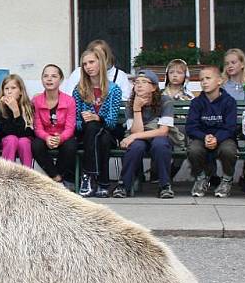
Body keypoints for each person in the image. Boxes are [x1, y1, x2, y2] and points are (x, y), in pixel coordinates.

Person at [112, 70, 176, 199]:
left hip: (159, 136)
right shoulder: (131, 104)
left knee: (160, 144)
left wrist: (133, 136)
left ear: (153, 87)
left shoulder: (165, 101)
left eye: (144, 82)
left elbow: (163, 131)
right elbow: (136, 131)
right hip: (141, 137)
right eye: (136, 82)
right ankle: (124, 185)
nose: (139, 85)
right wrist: (137, 109)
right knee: (136, 147)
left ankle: (165, 185)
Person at [73, 46, 123, 197]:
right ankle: (103, 183)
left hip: (107, 132)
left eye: (91, 62)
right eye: (85, 64)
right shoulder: (79, 90)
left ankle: (87, 176)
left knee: (103, 136)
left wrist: (97, 118)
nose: (88, 67)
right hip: (85, 133)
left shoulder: (114, 89)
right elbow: (76, 122)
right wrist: (86, 120)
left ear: (100, 63)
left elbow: (112, 123)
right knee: (94, 129)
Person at [187, 65, 238, 198]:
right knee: (193, 149)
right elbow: (191, 127)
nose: (204, 82)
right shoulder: (196, 103)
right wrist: (205, 137)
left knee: (229, 150)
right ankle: (201, 178)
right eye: (201, 79)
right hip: (202, 138)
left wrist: (217, 139)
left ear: (219, 81)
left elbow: (230, 127)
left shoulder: (229, 102)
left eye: (208, 78)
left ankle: (227, 180)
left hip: (224, 138)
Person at [31, 64, 77, 185]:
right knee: (36, 145)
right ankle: (57, 178)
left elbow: (70, 128)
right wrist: (47, 138)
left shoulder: (69, 101)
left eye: (54, 76)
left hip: (63, 136)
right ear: (42, 80)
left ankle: (56, 176)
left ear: (61, 79)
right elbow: (38, 127)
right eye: (45, 76)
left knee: (70, 146)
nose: (49, 79)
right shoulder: (37, 100)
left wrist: (60, 138)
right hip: (45, 136)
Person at [62, 39, 132, 100]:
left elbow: (124, 99)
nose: (88, 67)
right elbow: (69, 96)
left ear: (107, 55)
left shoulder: (119, 76)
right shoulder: (78, 72)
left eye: (100, 54)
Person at [0, 74, 34, 167]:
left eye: (13, 88)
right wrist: (11, 109)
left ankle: (27, 176)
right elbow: (7, 131)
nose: (9, 92)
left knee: (24, 142)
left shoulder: (28, 106)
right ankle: (6, 175)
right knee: (12, 139)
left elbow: (26, 133)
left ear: (20, 91)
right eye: (6, 88)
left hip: (24, 138)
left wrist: (16, 111)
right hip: (7, 139)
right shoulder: (0, 106)